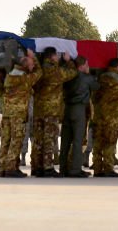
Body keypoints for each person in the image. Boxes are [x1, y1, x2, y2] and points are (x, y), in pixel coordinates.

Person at [31, 48, 78, 177]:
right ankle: (48, 167)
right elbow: (73, 73)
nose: (58, 57)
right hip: (50, 111)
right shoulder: (54, 71)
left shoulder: (38, 69)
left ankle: (37, 167)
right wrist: (68, 61)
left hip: (38, 110)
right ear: (52, 57)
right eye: (56, 56)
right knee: (49, 140)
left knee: (38, 140)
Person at [0, 50, 42, 177]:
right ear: (25, 66)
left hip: (7, 113)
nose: (32, 66)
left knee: (5, 141)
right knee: (16, 140)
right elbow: (39, 73)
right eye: (30, 65)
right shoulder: (23, 77)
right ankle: (11, 168)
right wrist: (34, 57)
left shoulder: (9, 75)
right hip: (17, 114)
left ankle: (4, 168)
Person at [92, 58, 118, 178]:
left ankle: (97, 169)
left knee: (98, 143)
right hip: (112, 118)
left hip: (99, 116)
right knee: (109, 143)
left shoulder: (101, 78)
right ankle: (108, 168)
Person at [60, 56, 97, 178]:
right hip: (79, 109)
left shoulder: (68, 77)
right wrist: (91, 74)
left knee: (65, 140)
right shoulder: (86, 78)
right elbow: (97, 87)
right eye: (86, 65)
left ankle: (63, 168)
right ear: (81, 66)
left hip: (67, 109)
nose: (88, 67)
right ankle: (75, 169)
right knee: (77, 140)